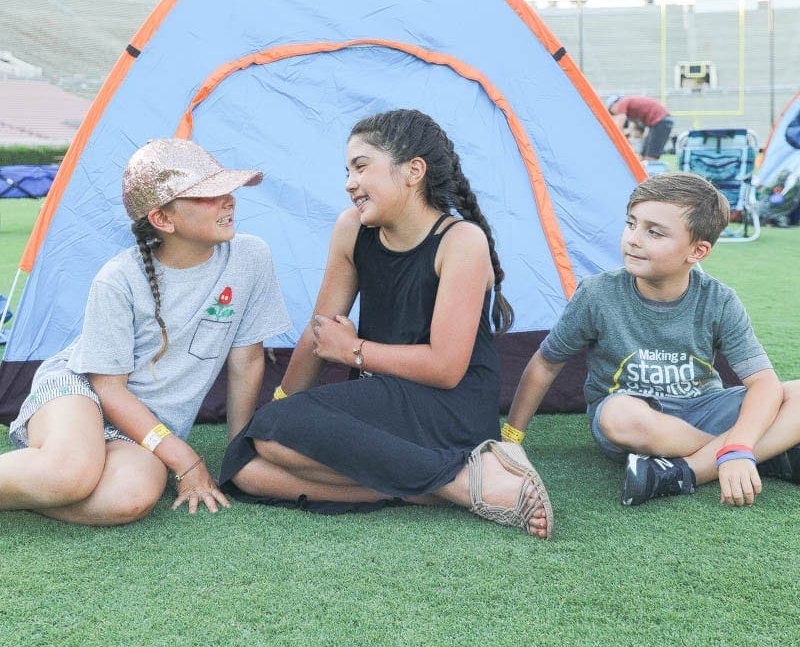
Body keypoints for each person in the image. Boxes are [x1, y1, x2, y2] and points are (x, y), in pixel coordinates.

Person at [219, 109, 554, 538]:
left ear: (414, 171)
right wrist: (284, 401)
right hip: (386, 402)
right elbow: (320, 331)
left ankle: (462, 476)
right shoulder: (351, 228)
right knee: (247, 468)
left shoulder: (461, 241)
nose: (349, 183)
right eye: (347, 170)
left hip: (452, 409)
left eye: (361, 167)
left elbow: (447, 368)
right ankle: (447, 488)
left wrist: (353, 352)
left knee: (272, 434)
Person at [1, 139, 290, 526]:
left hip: (148, 423)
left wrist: (236, 453)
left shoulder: (252, 257)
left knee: (130, 499)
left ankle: (31, 492)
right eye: (207, 194)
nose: (228, 200)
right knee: (71, 473)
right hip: (81, 390)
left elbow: (246, 359)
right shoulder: (118, 279)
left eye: (226, 189)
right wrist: (184, 458)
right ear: (163, 220)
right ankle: (57, 474)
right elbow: (109, 389)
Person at [505, 171, 800, 508]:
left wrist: (739, 445)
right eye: (631, 224)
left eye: (654, 233)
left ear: (697, 250)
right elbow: (546, 363)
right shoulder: (598, 294)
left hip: (704, 406)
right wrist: (512, 437)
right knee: (618, 415)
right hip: (635, 415)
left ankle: (686, 471)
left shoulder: (718, 299)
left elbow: (763, 381)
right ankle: (758, 455)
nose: (633, 239)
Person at [606, 94, 674, 161]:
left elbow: (618, 129)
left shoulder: (622, 103)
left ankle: (650, 169)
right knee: (644, 154)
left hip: (661, 121)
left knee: (651, 155)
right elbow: (638, 130)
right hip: (660, 121)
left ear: (613, 104)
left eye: (611, 112)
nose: (614, 114)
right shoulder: (630, 108)